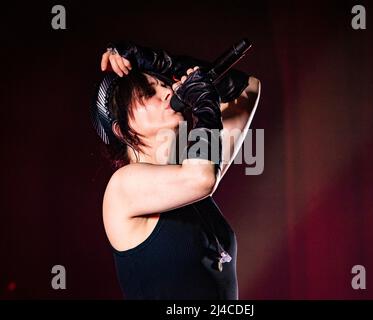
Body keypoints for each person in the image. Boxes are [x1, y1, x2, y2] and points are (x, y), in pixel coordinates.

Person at [91, 40, 261, 299]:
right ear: (121, 129)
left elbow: (247, 89)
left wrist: (164, 62)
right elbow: (201, 178)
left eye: (164, 85)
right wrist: (205, 106)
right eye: (149, 94)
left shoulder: (189, 175)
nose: (169, 92)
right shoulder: (122, 188)